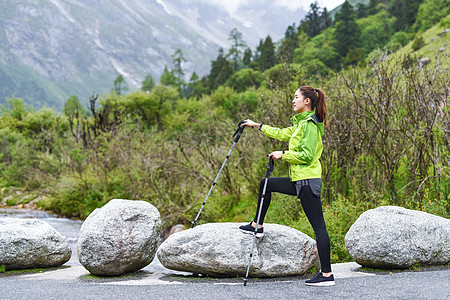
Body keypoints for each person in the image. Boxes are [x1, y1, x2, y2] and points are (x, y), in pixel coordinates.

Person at [240, 86, 334, 287]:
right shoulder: (300, 124)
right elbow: (282, 133)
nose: (293, 100)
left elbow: (307, 155)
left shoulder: (309, 125)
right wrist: (257, 126)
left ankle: (326, 275)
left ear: (307, 101)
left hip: (307, 182)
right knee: (266, 184)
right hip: (299, 180)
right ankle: (258, 225)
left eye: (296, 97)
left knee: (319, 227)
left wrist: (284, 154)